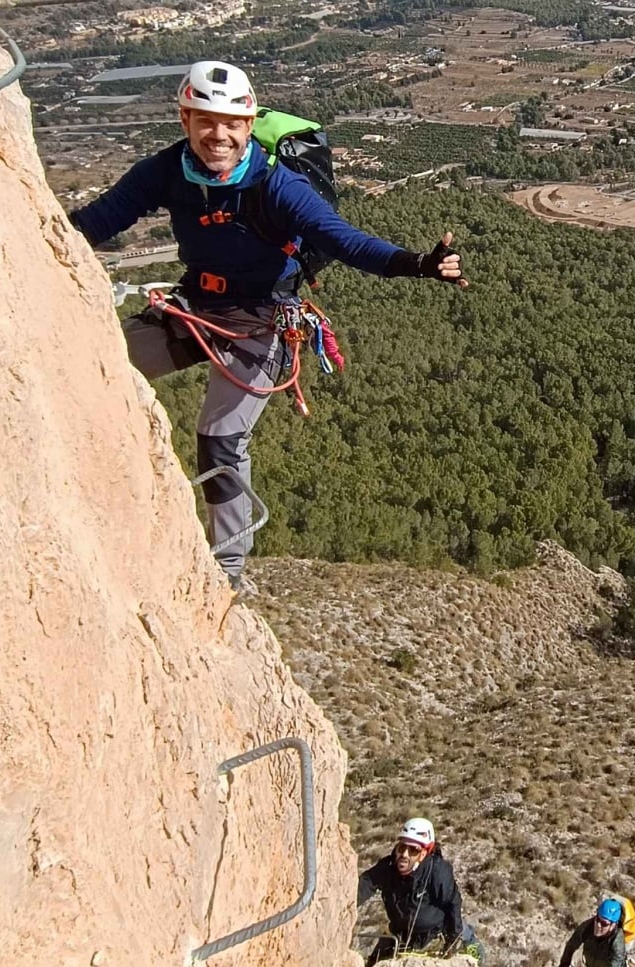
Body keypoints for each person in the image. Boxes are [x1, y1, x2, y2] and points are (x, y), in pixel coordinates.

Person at [67, 59, 468, 596]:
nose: (219, 135)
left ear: (249, 125)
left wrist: (416, 263)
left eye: (232, 123)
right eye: (206, 120)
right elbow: (96, 222)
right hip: (197, 307)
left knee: (220, 436)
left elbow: (343, 239)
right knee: (87, 361)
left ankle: (229, 571)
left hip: (261, 321)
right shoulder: (163, 172)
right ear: (185, 120)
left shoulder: (275, 185)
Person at [356, 818, 483, 967]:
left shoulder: (438, 871)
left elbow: (452, 902)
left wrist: (453, 939)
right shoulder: (387, 868)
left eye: (413, 850)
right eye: (401, 847)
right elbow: (364, 885)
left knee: (475, 958)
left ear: (423, 853)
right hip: (400, 935)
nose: (404, 854)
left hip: (436, 933)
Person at [554, 898, 632, 967]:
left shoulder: (617, 942)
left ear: (613, 925)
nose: (598, 925)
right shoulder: (587, 928)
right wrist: (564, 965)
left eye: (604, 923)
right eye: (597, 919)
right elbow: (571, 945)